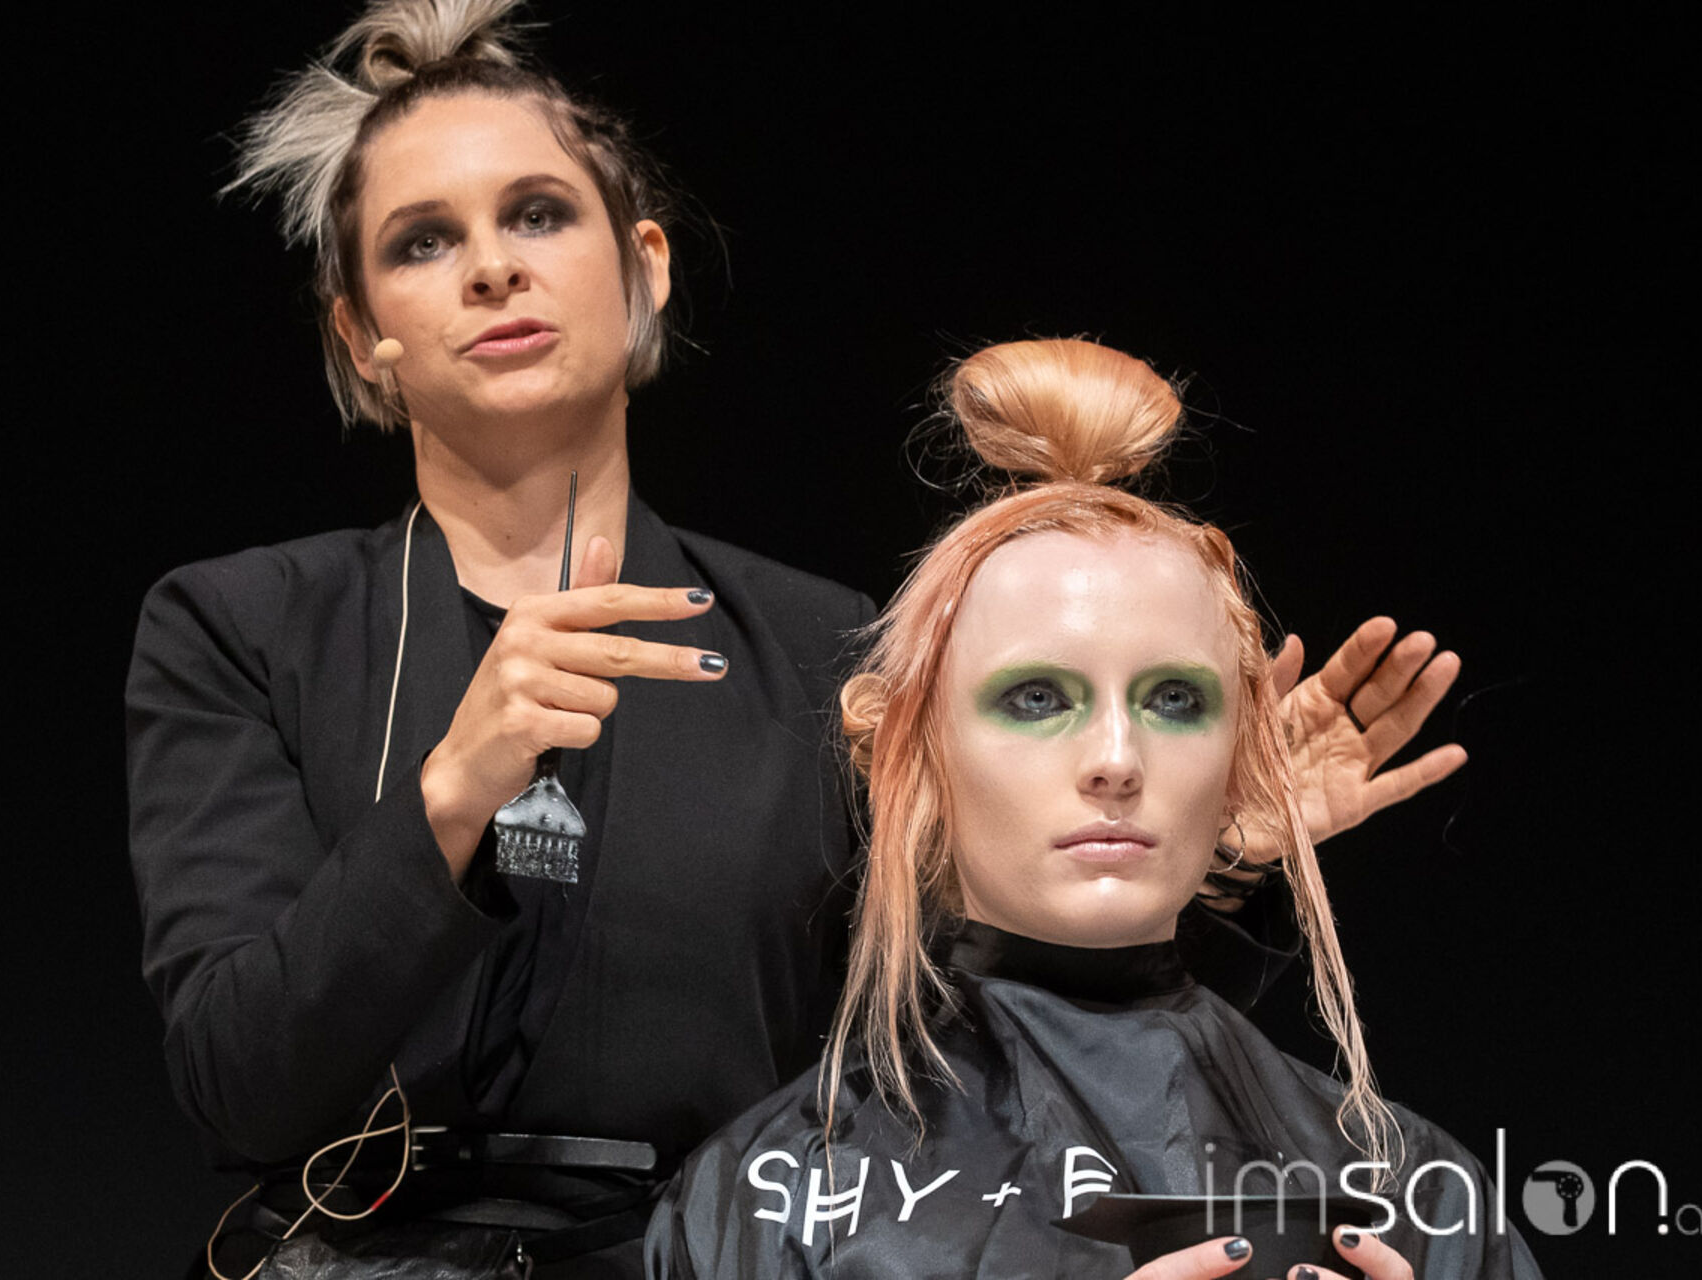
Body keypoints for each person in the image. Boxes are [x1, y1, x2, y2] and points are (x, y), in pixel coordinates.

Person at [126, 2, 1465, 1274]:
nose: (492, 266)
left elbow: (976, 1046)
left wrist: (1212, 853)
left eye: (539, 213)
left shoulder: (821, 645)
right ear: (363, 334)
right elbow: (240, 1087)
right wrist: (457, 788)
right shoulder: (241, 628)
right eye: (422, 241)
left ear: (645, 266)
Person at [645, 339, 1539, 1279]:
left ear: (1241, 758)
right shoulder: (770, 1198)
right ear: (911, 754)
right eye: (1036, 698)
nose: (1117, 760)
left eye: (1174, 701)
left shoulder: (1413, 1193)